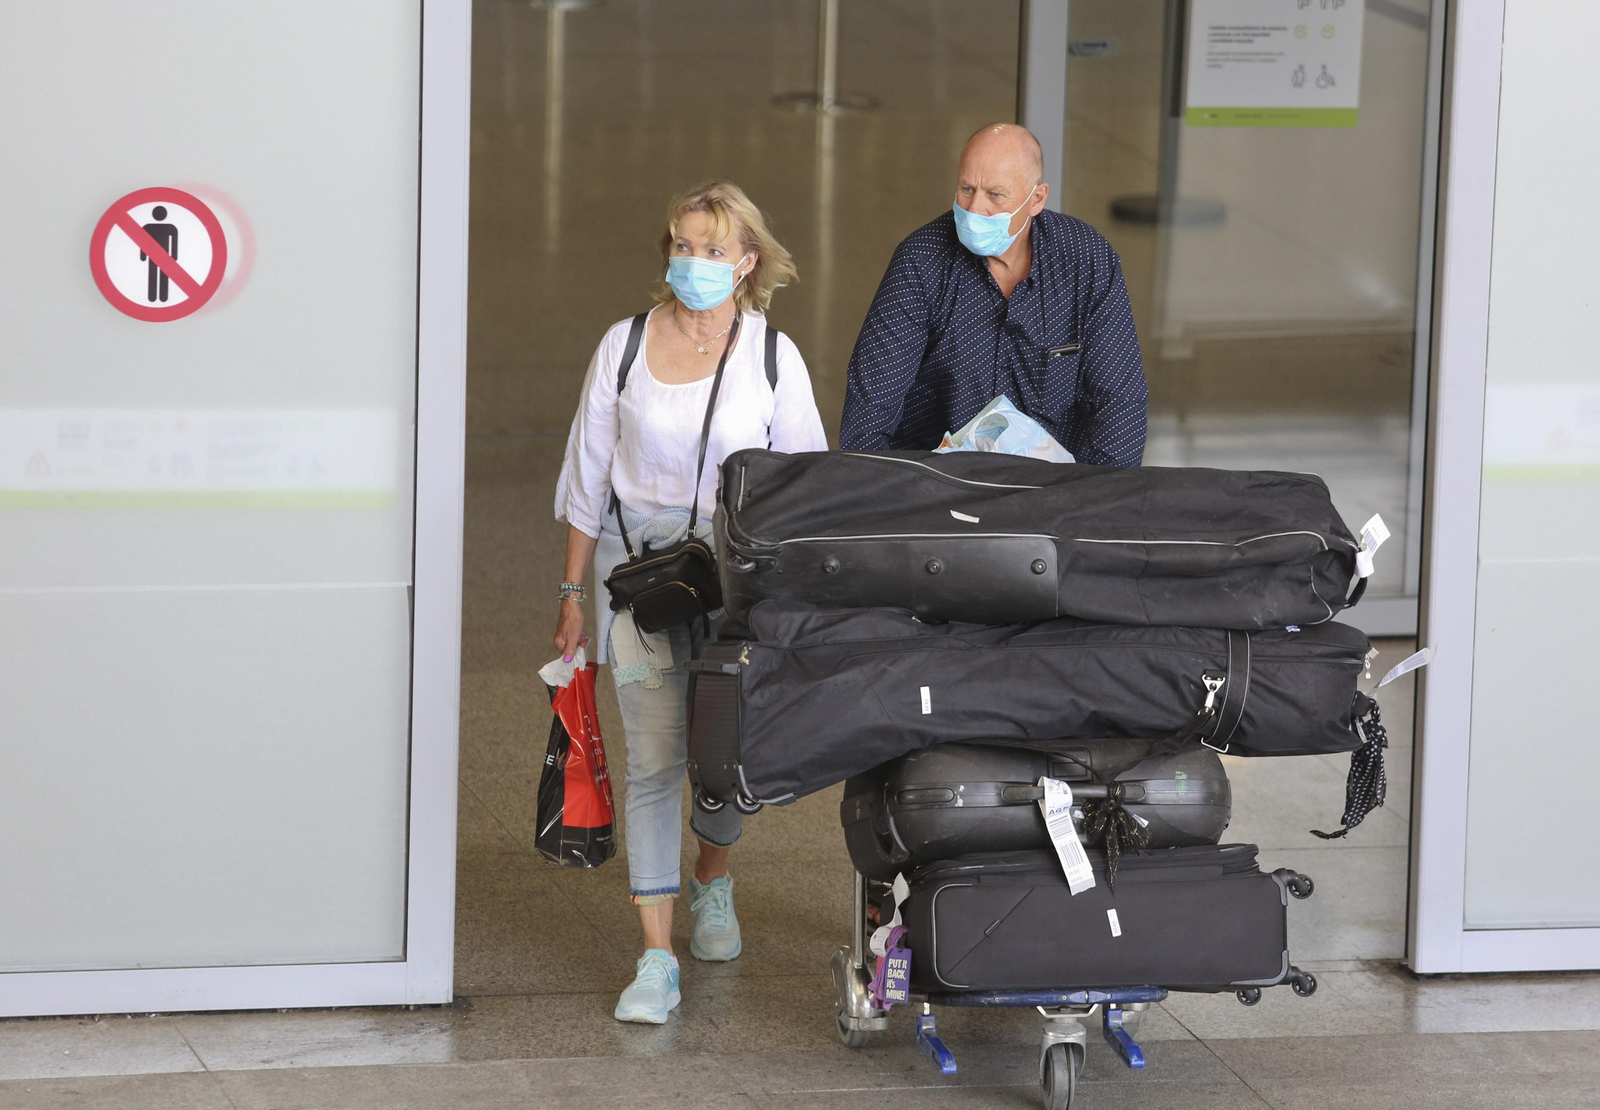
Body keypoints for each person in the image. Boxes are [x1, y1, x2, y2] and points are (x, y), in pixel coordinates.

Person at [552, 182, 827, 1024]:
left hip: (736, 589)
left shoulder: (773, 360)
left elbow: (807, 486)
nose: (691, 264)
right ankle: (656, 956)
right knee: (654, 762)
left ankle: (714, 877)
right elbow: (586, 477)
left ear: (746, 263)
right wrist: (571, 595)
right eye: (680, 244)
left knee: (719, 763)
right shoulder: (624, 347)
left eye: (711, 250)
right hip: (637, 586)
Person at [839, 123, 1148, 465]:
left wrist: (1097, 503)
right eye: (966, 189)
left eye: (995, 195)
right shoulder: (921, 260)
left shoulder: (1085, 259)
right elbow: (870, 409)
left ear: (1036, 199)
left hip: (1056, 491)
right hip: (941, 487)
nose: (975, 208)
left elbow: (1121, 403)